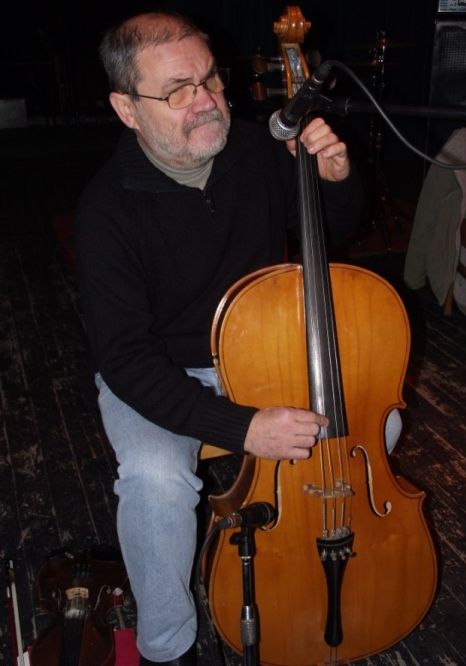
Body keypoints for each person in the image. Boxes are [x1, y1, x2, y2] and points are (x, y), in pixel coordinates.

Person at [75, 10, 382, 666]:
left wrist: (336, 180)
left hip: (266, 353)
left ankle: (316, 571)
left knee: (370, 429)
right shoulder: (107, 210)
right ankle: (167, 647)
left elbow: (332, 231)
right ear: (127, 109)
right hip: (165, 370)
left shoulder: (256, 149)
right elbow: (126, 360)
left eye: (211, 79)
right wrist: (243, 427)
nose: (206, 100)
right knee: (155, 481)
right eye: (177, 90)